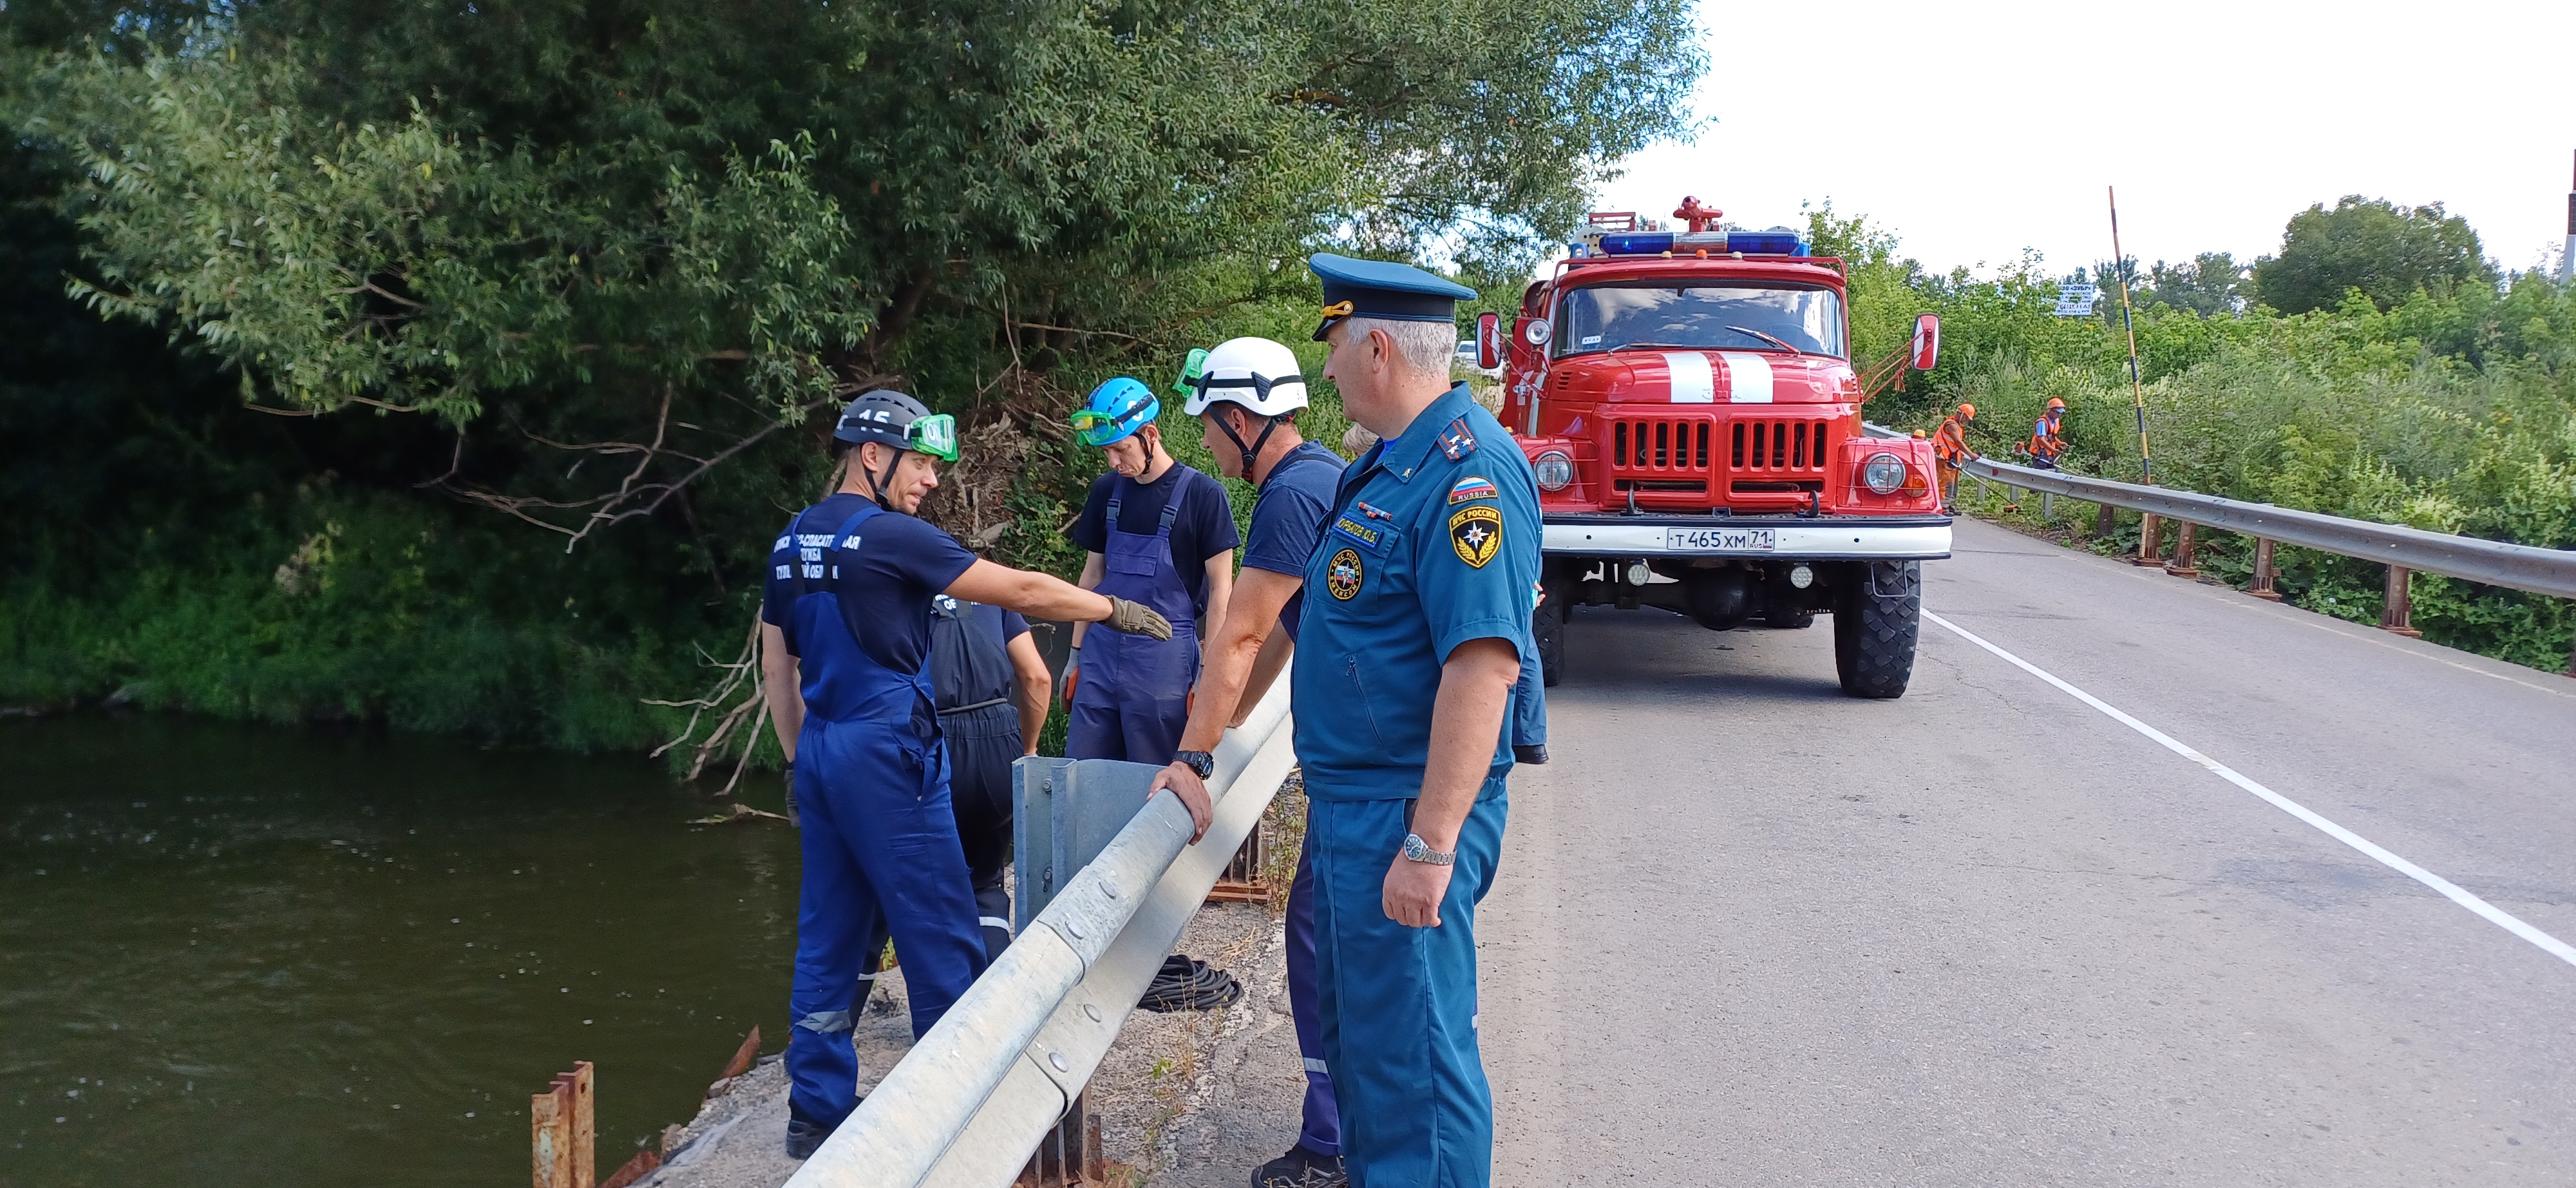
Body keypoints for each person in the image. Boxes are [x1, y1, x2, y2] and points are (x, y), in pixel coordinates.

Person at [1170, 254, 1539, 1188]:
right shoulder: (1384, 468)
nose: (1326, 370)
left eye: (1333, 347)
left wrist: (1430, 843)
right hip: (1352, 809)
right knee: (1369, 1058)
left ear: (1377, 347)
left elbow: (1483, 665)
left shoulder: (1468, 478)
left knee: (1414, 1065)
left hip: (1402, 811)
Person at [757, 389, 1200, 1160]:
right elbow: (1021, 590)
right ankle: (959, 1108)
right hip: (889, 749)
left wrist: (803, 764)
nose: (930, 479)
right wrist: (1107, 609)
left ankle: (816, 1110)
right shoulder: (893, 537)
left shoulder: (792, 540)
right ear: (873, 454)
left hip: (826, 748)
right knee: (943, 930)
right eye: (922, 462)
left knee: (828, 937)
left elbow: (777, 666)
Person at [1144, 336, 1354, 1187]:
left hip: (1361, 766)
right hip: (1363, 753)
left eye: (1210, 428)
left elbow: (1236, 629)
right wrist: (1227, 726)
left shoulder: (1288, 497)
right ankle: (1345, 1132)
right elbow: (1266, 639)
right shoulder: (1324, 475)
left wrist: (1193, 753)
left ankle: (1332, 1144)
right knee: (1335, 943)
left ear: (1241, 419)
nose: (1206, 448)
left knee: (1320, 943)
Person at [1063, 376, 1240, 765]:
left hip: (1165, 664)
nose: (1113, 463)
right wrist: (1075, 655)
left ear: (1150, 435)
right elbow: (1092, 577)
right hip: (1100, 657)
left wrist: (1209, 674)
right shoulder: (1105, 491)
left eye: (1121, 450)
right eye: (1107, 453)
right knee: (1081, 775)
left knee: (1155, 779)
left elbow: (1222, 592)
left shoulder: (1204, 495)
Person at [929, 593, 1052, 959]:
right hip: (1001, 740)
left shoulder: (899, 589)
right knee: (985, 881)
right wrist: (1027, 750)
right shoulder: (990, 591)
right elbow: (1037, 677)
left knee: (928, 879)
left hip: (934, 742)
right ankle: (997, 994)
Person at [1931, 401, 1978, 511]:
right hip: (1944, 458)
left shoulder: (1957, 426)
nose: (1966, 420)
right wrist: (1971, 454)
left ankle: (1950, 506)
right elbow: (1958, 442)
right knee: (1945, 483)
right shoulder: (1951, 425)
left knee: (1953, 483)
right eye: (1966, 417)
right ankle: (1943, 507)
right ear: (1961, 414)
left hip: (1952, 459)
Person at [2025, 396, 2068, 470]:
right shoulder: (2042, 422)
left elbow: (2052, 438)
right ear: (2051, 411)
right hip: (2040, 455)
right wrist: (2054, 450)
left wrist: (2060, 443)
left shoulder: (2055, 421)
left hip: (2050, 455)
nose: (2059, 415)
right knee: (2040, 475)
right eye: (2058, 412)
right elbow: (2041, 440)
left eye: (2061, 413)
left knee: (2055, 472)